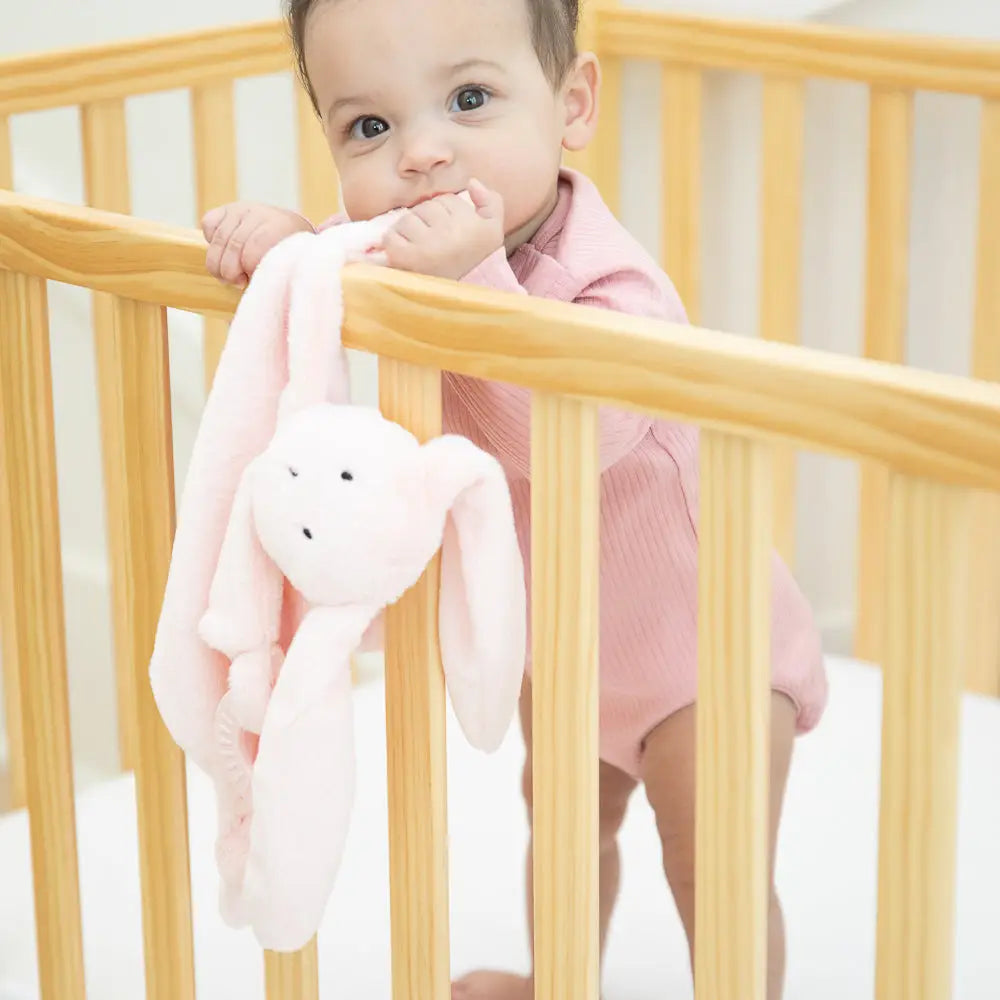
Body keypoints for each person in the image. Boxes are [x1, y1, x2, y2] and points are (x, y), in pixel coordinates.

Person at [201, 1, 829, 996]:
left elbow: (576, 436)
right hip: (569, 650)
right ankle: (557, 981)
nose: (420, 153)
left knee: (713, 872)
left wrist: (478, 282)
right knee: (569, 838)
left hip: (710, 658)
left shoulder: (612, 282)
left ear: (570, 104)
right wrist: (290, 248)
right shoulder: (408, 253)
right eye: (370, 126)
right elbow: (328, 274)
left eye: (467, 99)